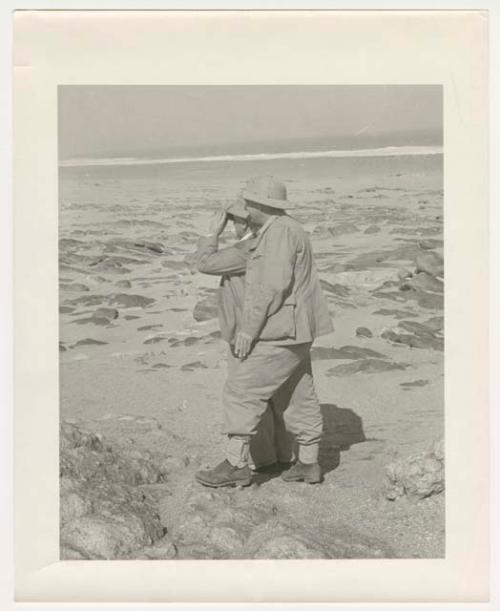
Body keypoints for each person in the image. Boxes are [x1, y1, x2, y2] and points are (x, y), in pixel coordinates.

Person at [195, 176, 333, 488]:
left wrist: (247, 330)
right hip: (293, 330)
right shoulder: (283, 230)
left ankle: (235, 465)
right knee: (297, 394)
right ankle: (308, 464)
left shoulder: (279, 234)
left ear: (259, 205)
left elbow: (269, 286)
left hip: (279, 331)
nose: (241, 212)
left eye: (245, 204)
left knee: (241, 391)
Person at [195, 199, 294, 478]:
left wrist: (210, 234)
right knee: (269, 396)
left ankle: (245, 464)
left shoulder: (247, 248)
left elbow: (204, 263)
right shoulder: (265, 243)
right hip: (262, 330)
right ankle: (274, 457)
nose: (231, 225)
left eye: (234, 220)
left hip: (246, 333)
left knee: (243, 395)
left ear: (245, 222)